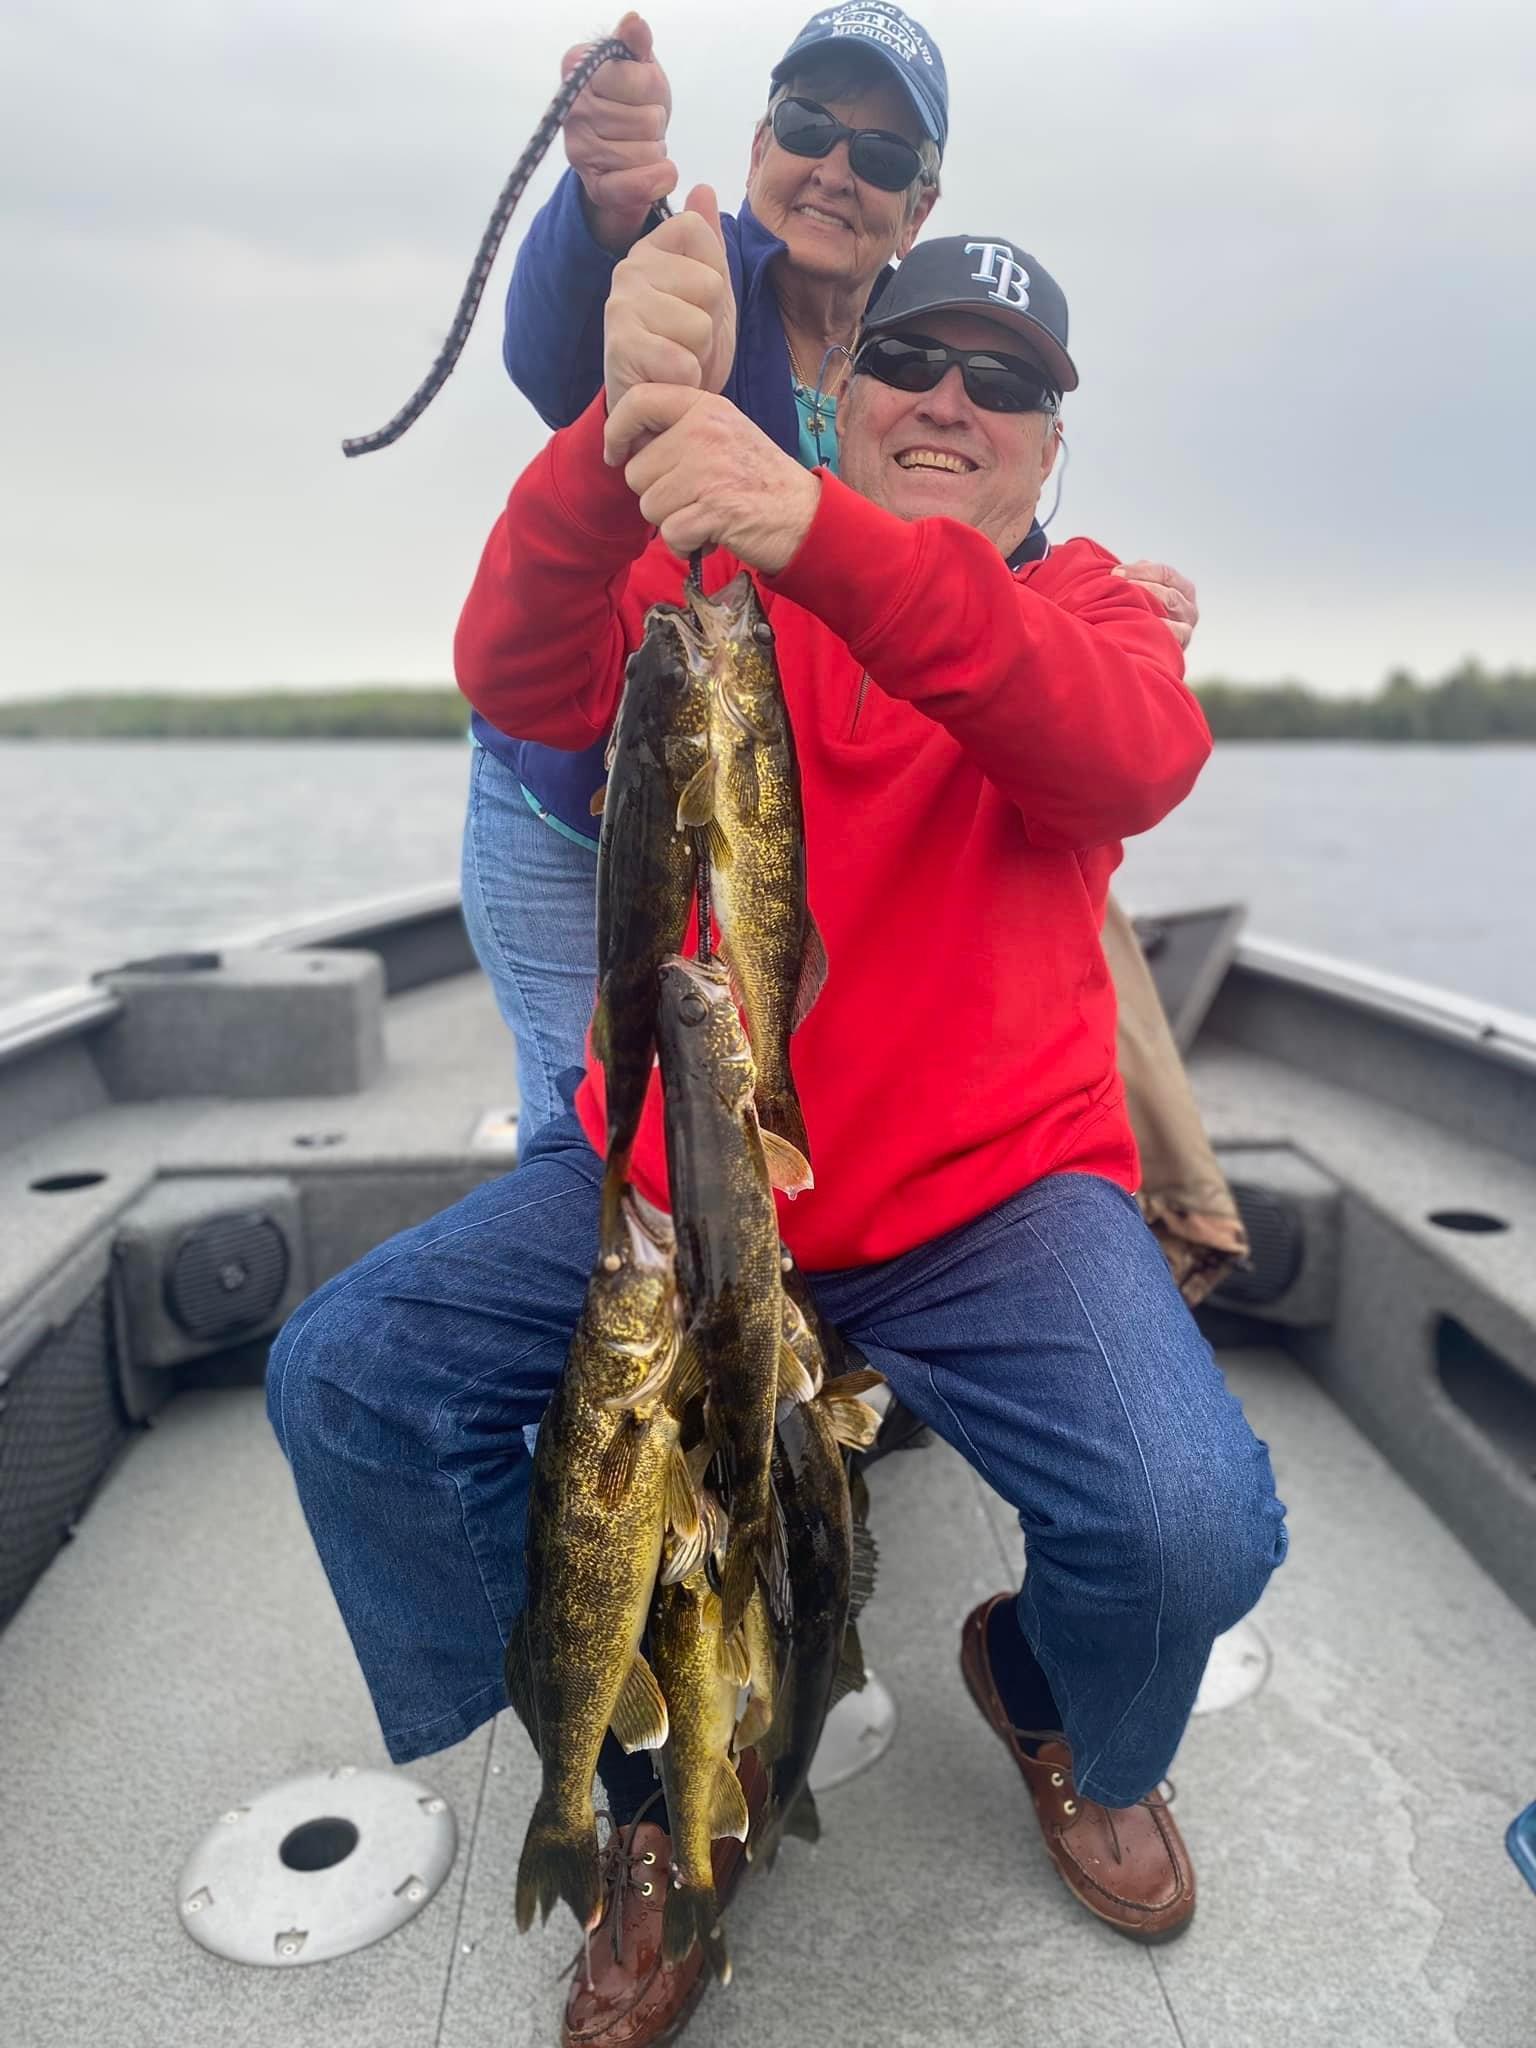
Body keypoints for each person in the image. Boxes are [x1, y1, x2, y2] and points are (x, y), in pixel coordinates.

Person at [269, 209, 1287, 2048]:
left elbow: (1124, 754)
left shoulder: (1096, 613)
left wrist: (821, 528)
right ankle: (647, 1788)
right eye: (908, 358)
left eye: (1008, 382)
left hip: (993, 1205)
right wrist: (614, 433)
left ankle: (1048, 1689)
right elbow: (516, 677)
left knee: (1186, 1519)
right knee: (351, 1380)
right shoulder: (714, 586)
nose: (949, 400)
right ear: (840, 385)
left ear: (1056, 442)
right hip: (680, 1182)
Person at [461, 11, 1229, 1296]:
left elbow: (982, 527)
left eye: (881, 157)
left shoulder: (917, 338)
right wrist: (602, 209)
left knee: (785, 1077)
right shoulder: (689, 252)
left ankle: (824, 1345)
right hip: (579, 797)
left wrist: (1093, 611)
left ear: (919, 205)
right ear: (759, 138)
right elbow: (562, 351)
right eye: (809, 128)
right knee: (608, 1124)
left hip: (772, 781)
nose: (835, 169)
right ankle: (653, 1387)